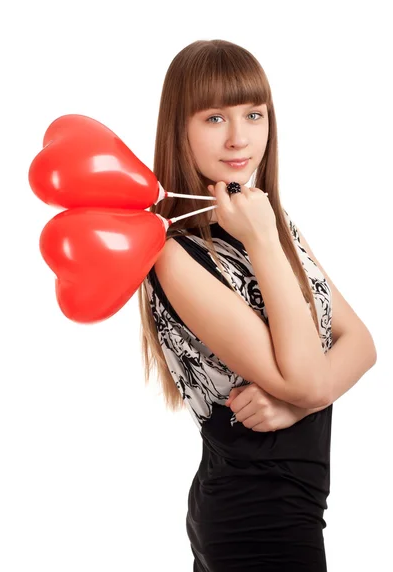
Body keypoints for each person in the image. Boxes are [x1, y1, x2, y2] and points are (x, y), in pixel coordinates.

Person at [138, 39, 377, 571]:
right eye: (215, 118)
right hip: (253, 516)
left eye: (254, 114)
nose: (240, 137)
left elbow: (360, 344)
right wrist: (264, 237)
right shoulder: (174, 256)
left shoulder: (269, 218)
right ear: (179, 127)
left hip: (298, 506)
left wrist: (294, 404)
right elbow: (315, 379)